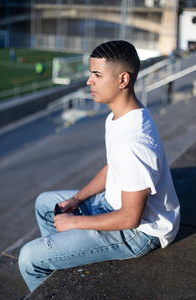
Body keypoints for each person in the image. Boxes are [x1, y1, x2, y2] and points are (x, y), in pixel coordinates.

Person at [18, 40, 180, 292]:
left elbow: (130, 217)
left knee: (29, 258)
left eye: (97, 75)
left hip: (140, 233)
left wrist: (74, 223)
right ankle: (67, 261)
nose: (88, 81)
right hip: (112, 204)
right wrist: (77, 199)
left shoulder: (135, 141)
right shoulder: (118, 117)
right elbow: (112, 167)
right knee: (45, 204)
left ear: (122, 79)